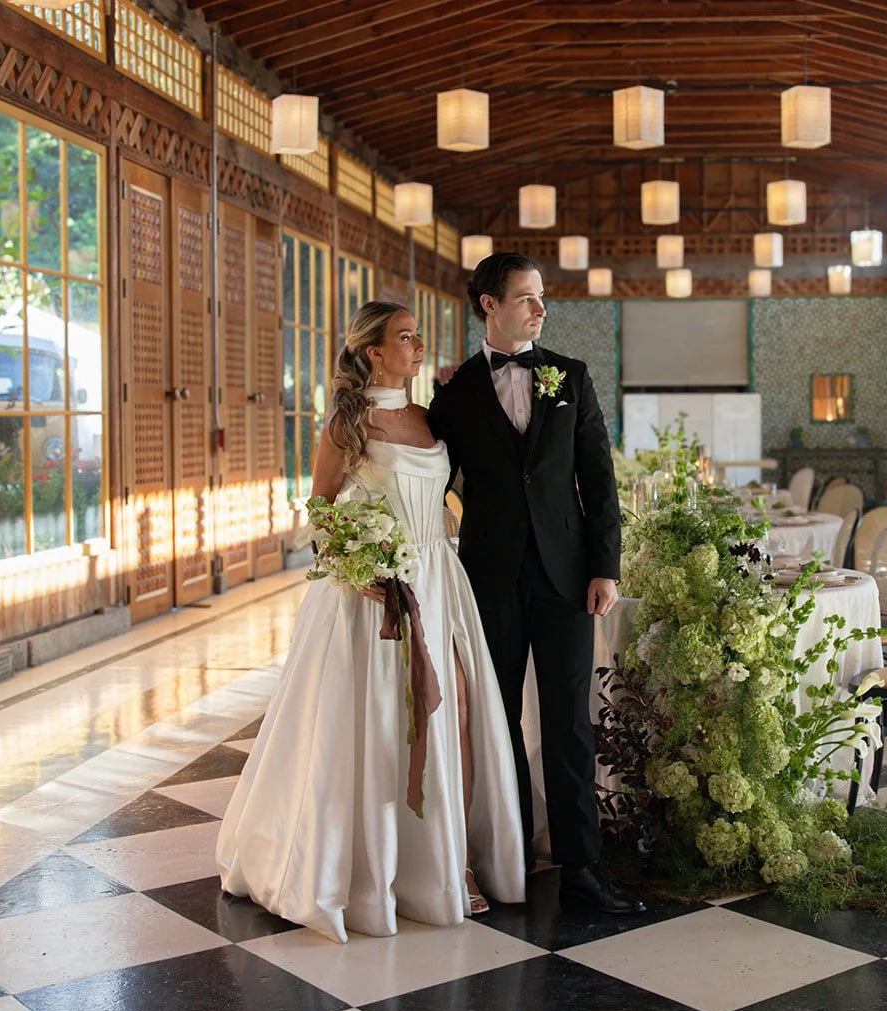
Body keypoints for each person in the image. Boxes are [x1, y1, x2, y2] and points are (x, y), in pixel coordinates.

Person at [216, 301, 526, 943]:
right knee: (382, 726)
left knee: (459, 712)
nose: (417, 347)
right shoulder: (346, 425)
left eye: (417, 337)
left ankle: (451, 860)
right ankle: (375, 867)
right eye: (404, 338)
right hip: (374, 597)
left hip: (441, 578)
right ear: (373, 352)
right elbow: (322, 511)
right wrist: (360, 572)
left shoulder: (430, 416)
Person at [427, 253, 645, 915]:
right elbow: (425, 479)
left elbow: (599, 481)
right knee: (498, 726)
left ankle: (581, 865)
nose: (540, 308)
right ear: (490, 305)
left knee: (568, 724)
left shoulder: (571, 377)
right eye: (525, 297)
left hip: (568, 579)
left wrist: (605, 566)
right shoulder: (456, 390)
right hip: (487, 580)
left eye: (540, 297)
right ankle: (509, 860)